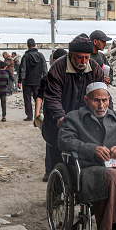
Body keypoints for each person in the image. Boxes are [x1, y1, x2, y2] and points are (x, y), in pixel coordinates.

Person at [58, 82, 116, 230]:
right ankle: (110, 228)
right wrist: (91, 149)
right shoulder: (74, 117)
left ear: (109, 100)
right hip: (89, 168)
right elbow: (64, 140)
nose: (101, 105)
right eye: (96, 100)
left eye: (104, 100)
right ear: (86, 99)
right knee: (112, 177)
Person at [43, 34, 109, 172]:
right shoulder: (57, 68)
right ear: (71, 54)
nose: (84, 61)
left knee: (82, 159)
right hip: (57, 122)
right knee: (57, 160)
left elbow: (102, 94)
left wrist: (109, 116)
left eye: (87, 57)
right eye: (80, 57)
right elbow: (52, 97)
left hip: (83, 121)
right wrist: (60, 116)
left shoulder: (95, 68)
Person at [36, 48, 67, 182]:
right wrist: (37, 114)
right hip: (52, 118)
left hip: (64, 117)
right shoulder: (49, 77)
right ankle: (50, 171)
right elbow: (40, 96)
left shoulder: (69, 77)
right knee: (52, 145)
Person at [19, 39, 47, 122]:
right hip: (39, 80)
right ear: (35, 45)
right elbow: (45, 68)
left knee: (27, 99)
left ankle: (29, 115)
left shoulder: (25, 56)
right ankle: (40, 114)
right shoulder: (41, 56)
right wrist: (45, 79)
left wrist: (21, 80)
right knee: (39, 98)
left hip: (27, 81)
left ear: (27, 45)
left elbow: (23, 69)